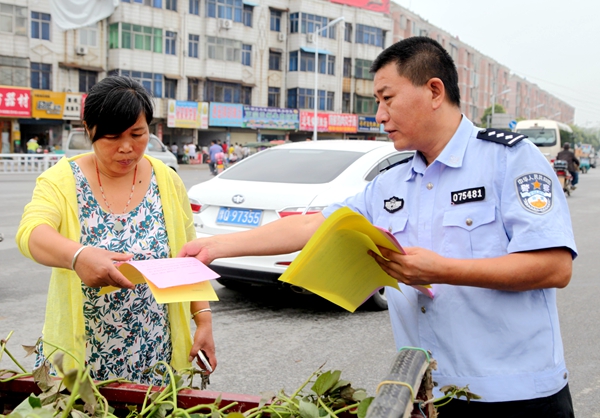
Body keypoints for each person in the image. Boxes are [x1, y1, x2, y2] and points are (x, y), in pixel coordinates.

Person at [179, 37, 576, 417]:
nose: (380, 114)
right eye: (377, 102)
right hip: (428, 392)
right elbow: (316, 224)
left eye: (388, 99)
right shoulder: (392, 182)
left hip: (516, 395)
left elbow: (554, 267)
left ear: (434, 91)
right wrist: (217, 248)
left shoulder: (510, 161)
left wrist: (442, 270)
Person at [17, 76, 216, 385]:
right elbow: (31, 233)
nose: (127, 148)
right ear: (88, 129)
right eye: (112, 137)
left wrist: (203, 320)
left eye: (138, 134)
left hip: (153, 354)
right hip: (80, 357)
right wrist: (78, 256)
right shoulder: (60, 181)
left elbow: (186, 258)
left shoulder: (166, 179)